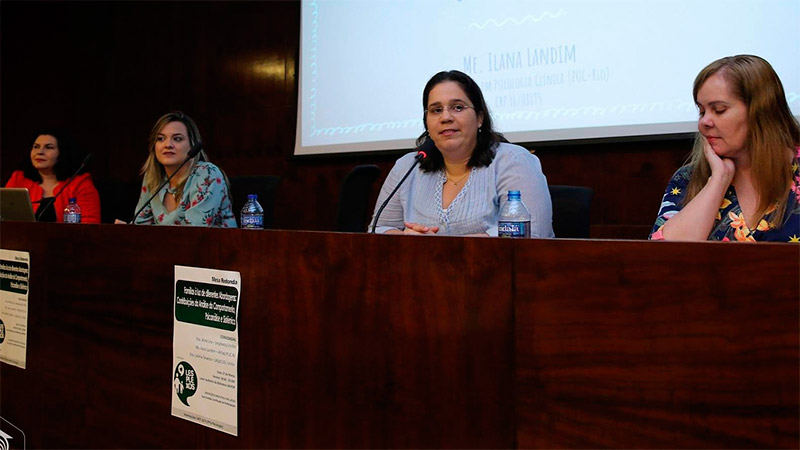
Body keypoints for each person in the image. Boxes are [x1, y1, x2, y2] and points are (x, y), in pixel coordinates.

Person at [371, 70, 553, 237]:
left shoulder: (512, 161)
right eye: (436, 110)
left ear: (480, 118)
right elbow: (378, 229)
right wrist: (406, 238)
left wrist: (443, 249)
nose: (446, 117)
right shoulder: (407, 166)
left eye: (458, 107)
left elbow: (531, 232)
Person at [650, 55, 800, 242]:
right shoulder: (687, 179)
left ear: (760, 111)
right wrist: (719, 179)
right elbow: (662, 259)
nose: (703, 122)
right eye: (702, 111)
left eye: (719, 110)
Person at [132, 111, 236, 227]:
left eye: (177, 139)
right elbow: (140, 226)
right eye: (161, 139)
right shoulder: (153, 178)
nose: (168, 145)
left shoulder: (208, 174)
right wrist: (125, 230)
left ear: (193, 145)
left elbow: (193, 232)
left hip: (215, 245)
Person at [5, 130, 101, 223]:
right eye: (36, 147)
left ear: (62, 152)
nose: (40, 152)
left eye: (49, 147)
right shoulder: (18, 179)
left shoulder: (80, 183)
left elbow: (90, 225)